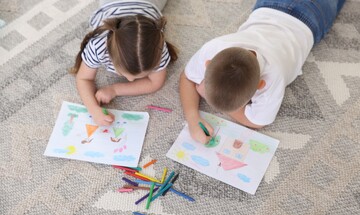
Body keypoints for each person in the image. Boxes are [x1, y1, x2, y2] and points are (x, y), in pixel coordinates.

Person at [180, 0, 346, 144]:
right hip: (271, 6)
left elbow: (257, 122)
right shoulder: (214, 47)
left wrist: (218, 103)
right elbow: (187, 77)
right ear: (207, 63)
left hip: (313, 16)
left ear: (261, 85)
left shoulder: (274, 76)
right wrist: (193, 118)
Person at [71, 0, 177, 126]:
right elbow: (83, 78)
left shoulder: (159, 50)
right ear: (109, 54)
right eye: (124, 73)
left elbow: (156, 83)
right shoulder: (98, 46)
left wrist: (115, 89)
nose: (130, 80)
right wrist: (94, 110)